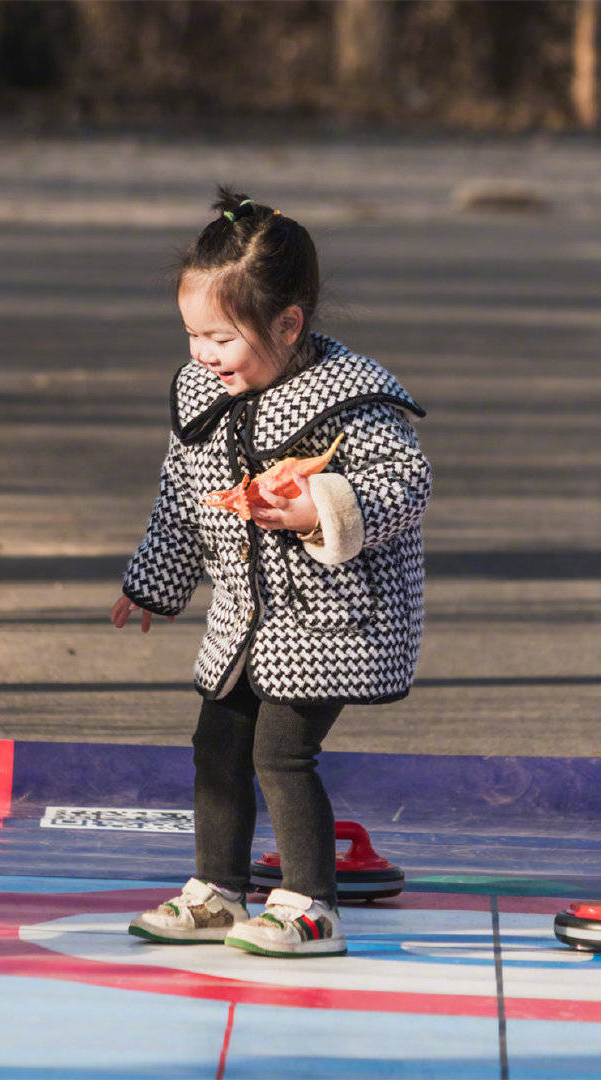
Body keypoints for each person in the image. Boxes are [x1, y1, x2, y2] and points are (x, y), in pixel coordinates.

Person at [113, 188, 430, 957]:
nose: (203, 354)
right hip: (244, 619)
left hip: (336, 618)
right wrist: (154, 579)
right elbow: (181, 490)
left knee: (281, 752)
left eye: (220, 337)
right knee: (215, 741)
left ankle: (309, 906)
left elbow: (406, 482)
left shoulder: (352, 399)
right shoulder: (204, 394)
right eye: (192, 334)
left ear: (288, 324)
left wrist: (322, 507)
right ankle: (217, 891)